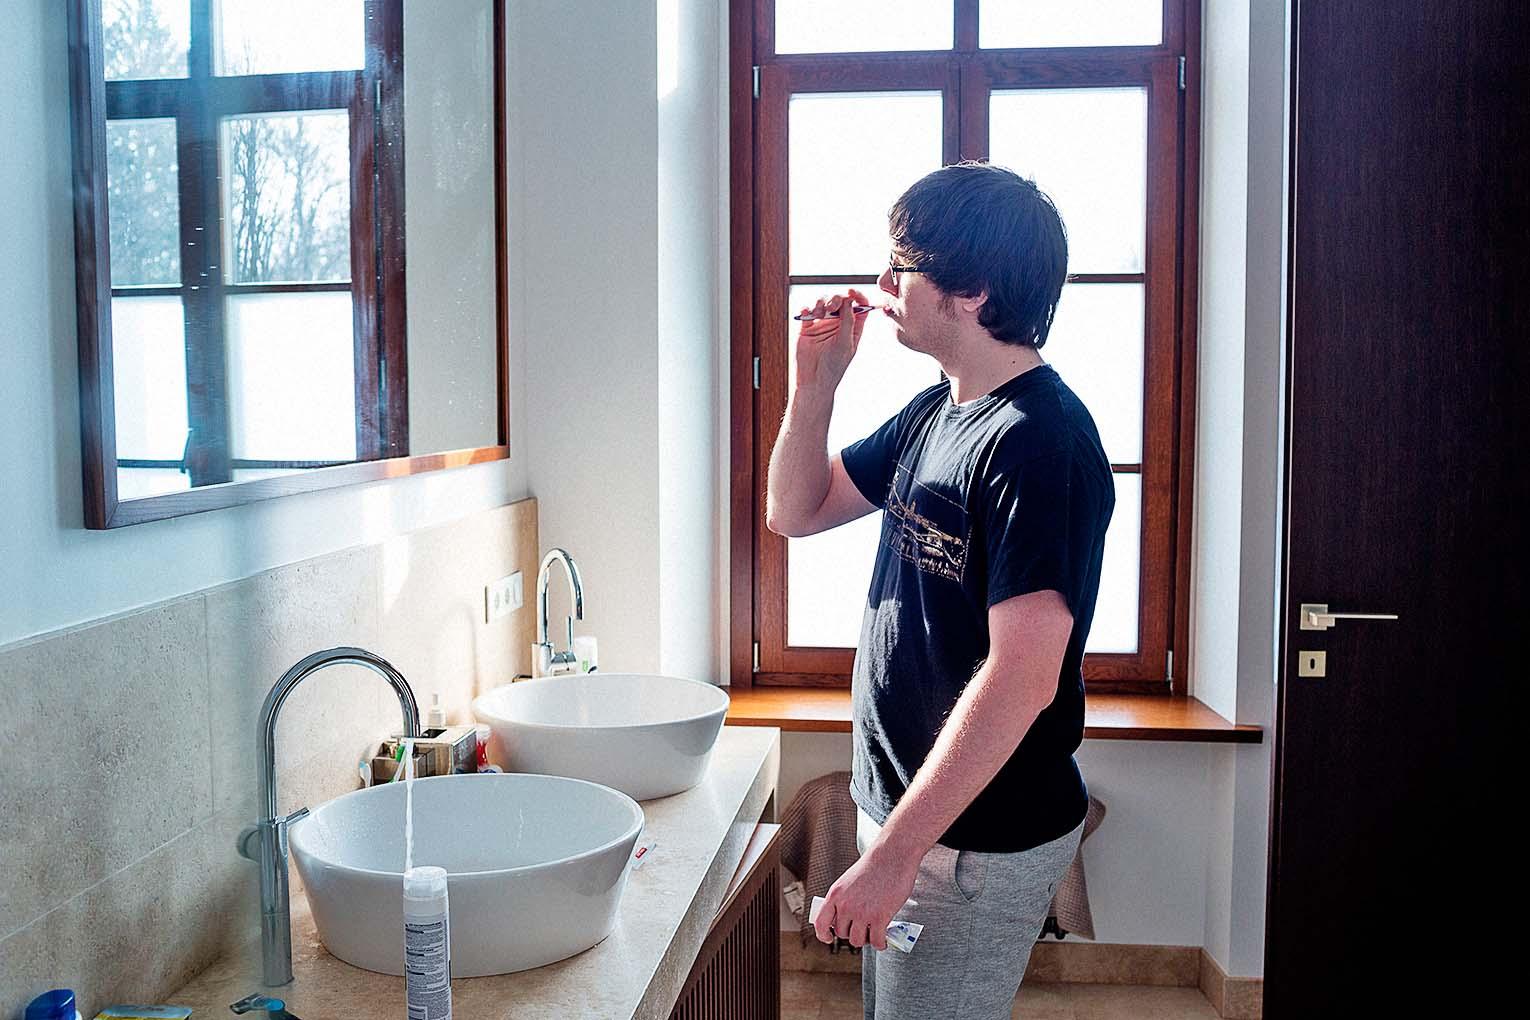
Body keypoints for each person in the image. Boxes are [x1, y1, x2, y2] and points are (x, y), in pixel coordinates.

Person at [765, 162, 1115, 1019]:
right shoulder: (936, 412)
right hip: (915, 822)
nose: (882, 284)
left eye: (902, 266)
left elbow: (1023, 678)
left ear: (973, 291)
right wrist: (816, 384)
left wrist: (895, 859)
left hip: (970, 844)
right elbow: (794, 510)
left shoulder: (1040, 444)